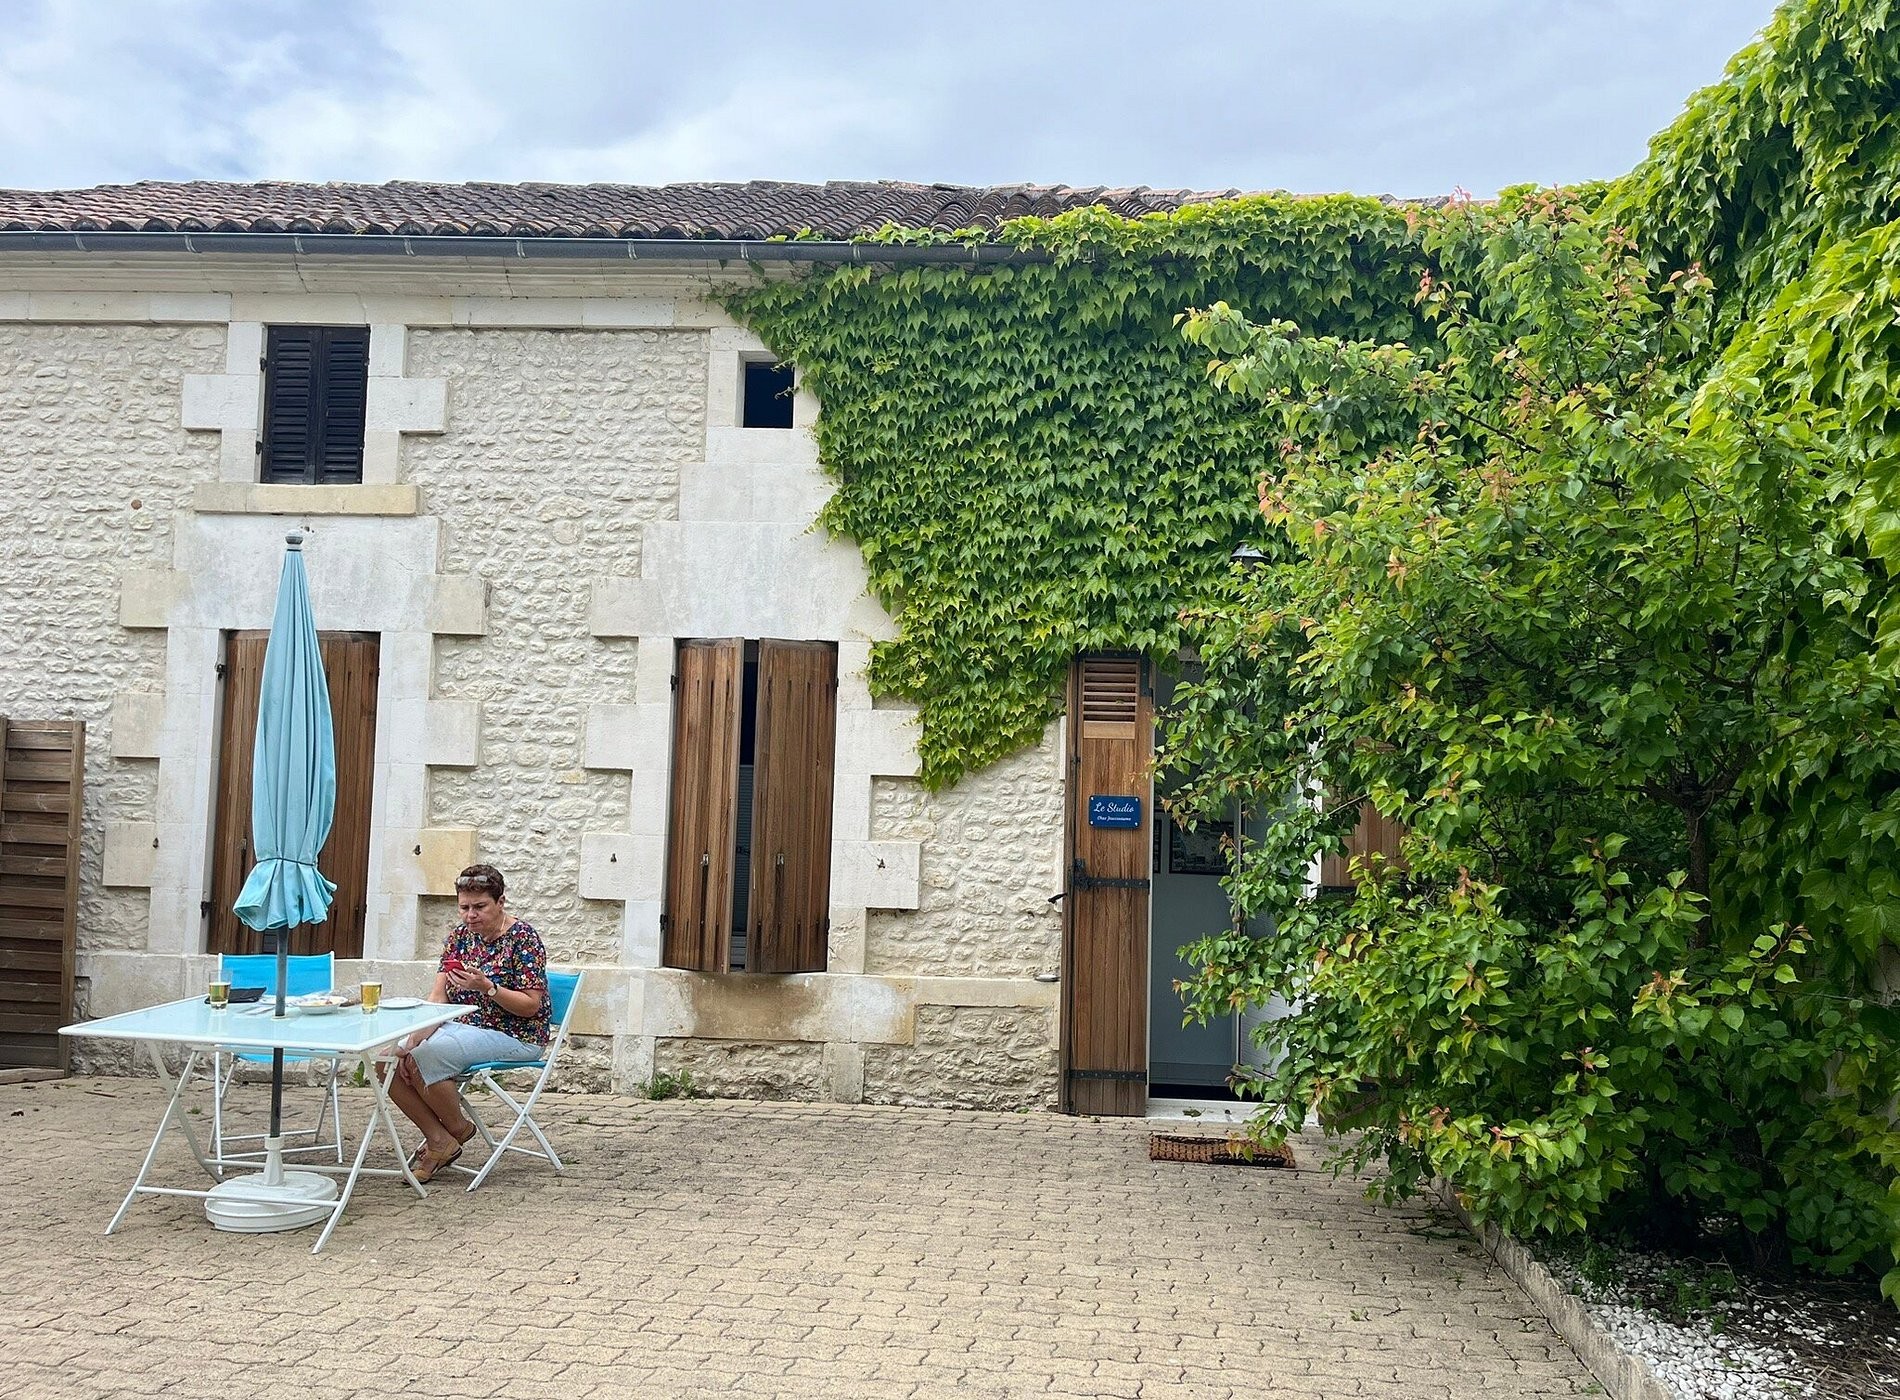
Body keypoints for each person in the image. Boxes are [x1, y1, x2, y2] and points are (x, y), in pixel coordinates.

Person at [385, 863, 550, 1183]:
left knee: (429, 1057)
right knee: (387, 1059)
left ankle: (455, 1131)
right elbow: (438, 997)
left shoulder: (523, 938)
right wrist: (411, 1041)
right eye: (464, 907)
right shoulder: (459, 938)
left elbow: (531, 1007)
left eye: (480, 907)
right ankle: (440, 1139)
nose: (470, 915)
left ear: (500, 902)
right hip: (461, 1028)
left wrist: (487, 987)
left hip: (515, 1033)